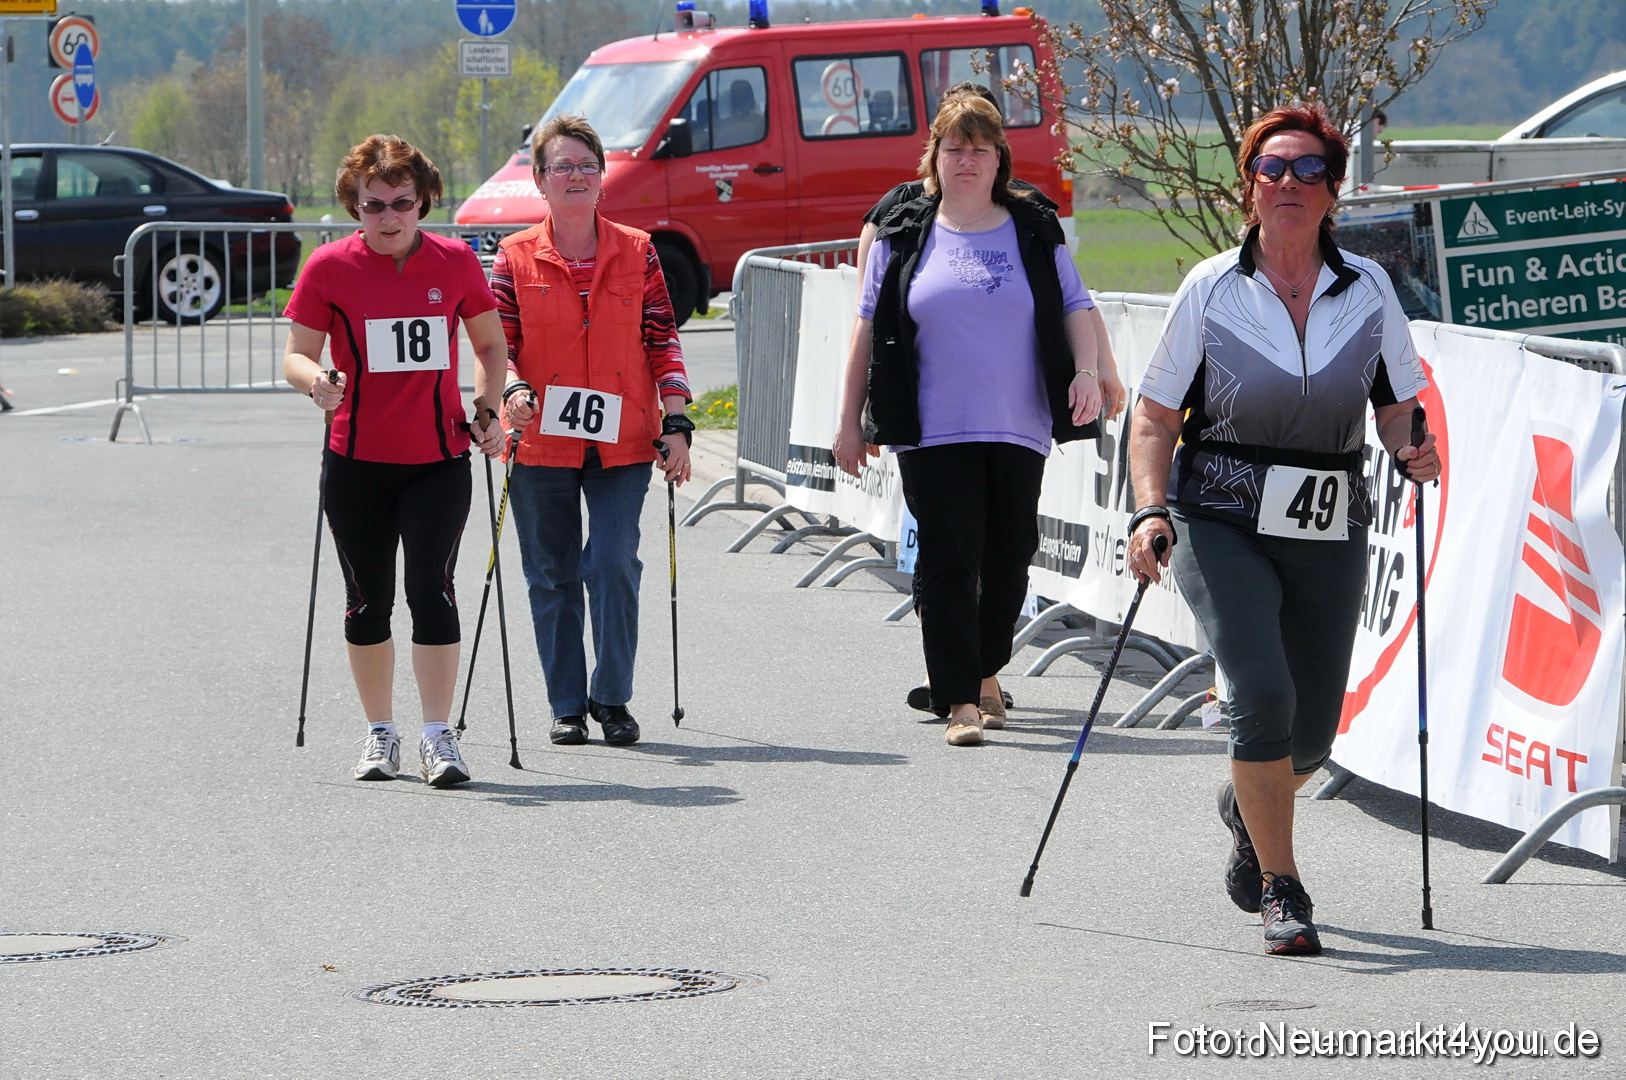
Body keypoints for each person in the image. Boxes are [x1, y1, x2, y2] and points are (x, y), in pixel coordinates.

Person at [1125, 105, 1440, 956]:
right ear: (1249, 187)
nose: (1288, 183)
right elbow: (1154, 414)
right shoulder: (1211, 287)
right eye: (1272, 169)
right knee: (1260, 692)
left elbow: (1395, 405)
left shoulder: (1369, 289)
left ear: (1334, 190)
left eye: (1307, 170)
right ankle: (1282, 886)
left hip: (1326, 516)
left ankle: (1244, 806)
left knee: (1312, 733)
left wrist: (1415, 447)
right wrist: (1151, 509)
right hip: (1216, 511)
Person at [835, 94, 1103, 747]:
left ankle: (985, 672)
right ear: (935, 159)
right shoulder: (904, 236)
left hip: (1019, 424)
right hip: (931, 428)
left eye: (979, 149)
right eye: (955, 148)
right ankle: (959, 701)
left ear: (998, 160)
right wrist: (848, 423)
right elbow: (866, 331)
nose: (967, 160)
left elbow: (1076, 306)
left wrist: (1090, 372)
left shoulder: (1032, 229)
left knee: (1010, 559)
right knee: (952, 560)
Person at [282, 134, 508, 788]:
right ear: (354, 205)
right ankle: (381, 732)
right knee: (366, 601)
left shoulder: (454, 261)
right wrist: (314, 381)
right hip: (356, 461)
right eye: (372, 205)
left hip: (437, 459)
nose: (388, 219)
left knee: (431, 592)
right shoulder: (329, 267)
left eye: (401, 204)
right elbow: (296, 353)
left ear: (424, 201)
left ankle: (440, 736)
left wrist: (487, 410)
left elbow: (491, 346)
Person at [494, 115, 693, 748]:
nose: (575, 176)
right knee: (550, 574)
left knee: (611, 562)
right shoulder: (514, 254)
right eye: (562, 167)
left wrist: (678, 417)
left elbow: (662, 337)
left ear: (602, 178)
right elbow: (499, 345)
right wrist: (511, 390)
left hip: (623, 440)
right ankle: (566, 704)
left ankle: (611, 698)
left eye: (586, 165)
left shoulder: (637, 250)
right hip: (540, 441)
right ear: (540, 180)